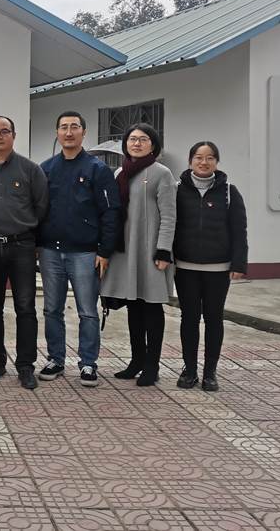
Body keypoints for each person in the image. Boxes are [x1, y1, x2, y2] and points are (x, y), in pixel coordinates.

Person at [38, 111, 120, 387]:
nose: (69, 132)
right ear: (57, 133)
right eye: (63, 127)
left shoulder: (98, 170)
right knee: (52, 309)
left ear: (84, 132)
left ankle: (88, 363)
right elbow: (38, 209)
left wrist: (104, 251)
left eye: (74, 127)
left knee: (87, 311)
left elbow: (110, 213)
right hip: (50, 252)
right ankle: (55, 359)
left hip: (85, 253)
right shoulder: (46, 168)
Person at [0, 115, 49, 390]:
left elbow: (41, 207)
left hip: (22, 246)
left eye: (4, 131)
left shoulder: (31, 170)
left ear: (13, 135)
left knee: (25, 306)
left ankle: (26, 365)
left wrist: (33, 241)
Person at [100, 123, 176, 387]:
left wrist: (164, 250)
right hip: (125, 251)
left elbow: (169, 215)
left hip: (150, 251)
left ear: (153, 145)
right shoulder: (120, 172)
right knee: (133, 305)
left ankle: (152, 366)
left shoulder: (161, 173)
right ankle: (136, 361)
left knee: (151, 306)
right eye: (132, 139)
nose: (137, 143)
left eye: (143, 139)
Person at [173, 141, 248, 392]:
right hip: (185, 267)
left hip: (218, 268)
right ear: (190, 161)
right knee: (189, 318)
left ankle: (210, 372)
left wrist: (239, 262)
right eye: (198, 157)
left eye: (210, 158)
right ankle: (190, 370)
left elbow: (239, 230)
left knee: (214, 319)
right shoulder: (177, 190)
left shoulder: (229, 192)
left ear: (216, 162)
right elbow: (169, 225)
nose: (203, 162)